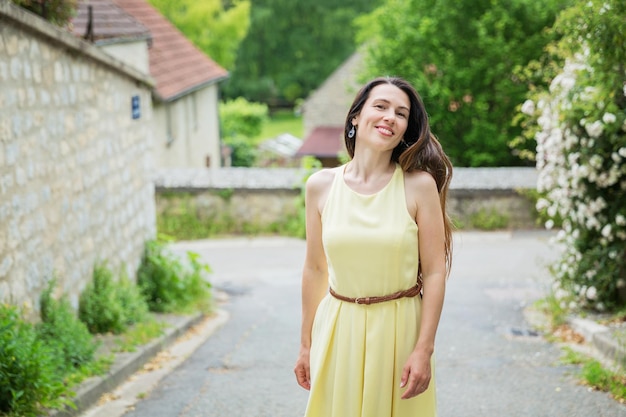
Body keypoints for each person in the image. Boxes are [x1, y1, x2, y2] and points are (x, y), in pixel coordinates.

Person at [293, 76, 453, 417]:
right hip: (338, 329)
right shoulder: (320, 186)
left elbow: (436, 272)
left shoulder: (419, 186)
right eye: (380, 106)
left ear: (406, 128)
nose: (390, 117)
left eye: (401, 113)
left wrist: (424, 349)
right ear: (356, 116)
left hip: (399, 331)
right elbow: (315, 269)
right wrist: (306, 344)